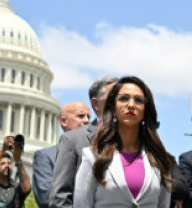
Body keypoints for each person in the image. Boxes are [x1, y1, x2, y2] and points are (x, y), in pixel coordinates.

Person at [73, 76, 174, 208]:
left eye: (138, 100)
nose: (131, 105)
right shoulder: (92, 156)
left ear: (145, 109)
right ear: (113, 108)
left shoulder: (160, 160)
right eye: (124, 98)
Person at [50, 76, 119, 208]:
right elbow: (60, 199)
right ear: (96, 103)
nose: (120, 102)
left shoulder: (138, 143)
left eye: (123, 97)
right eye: (113, 96)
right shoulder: (73, 140)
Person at [34, 101, 91, 208]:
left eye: (88, 116)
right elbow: (46, 197)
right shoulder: (45, 156)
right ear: (64, 121)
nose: (87, 120)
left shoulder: (95, 153)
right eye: (80, 116)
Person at [0, 135, 31, 208]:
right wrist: (3, 149)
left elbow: (27, 187)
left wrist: (18, 160)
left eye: (9, 163)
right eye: (3, 163)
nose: (7, 166)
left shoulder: (16, 187)